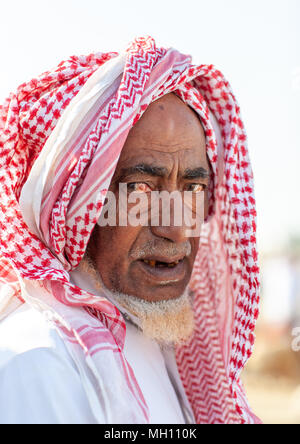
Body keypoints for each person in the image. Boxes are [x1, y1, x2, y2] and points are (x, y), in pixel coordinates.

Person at [0, 36, 260, 424]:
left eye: (193, 188)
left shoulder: (155, 344)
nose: (176, 229)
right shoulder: (40, 363)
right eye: (141, 187)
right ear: (76, 206)